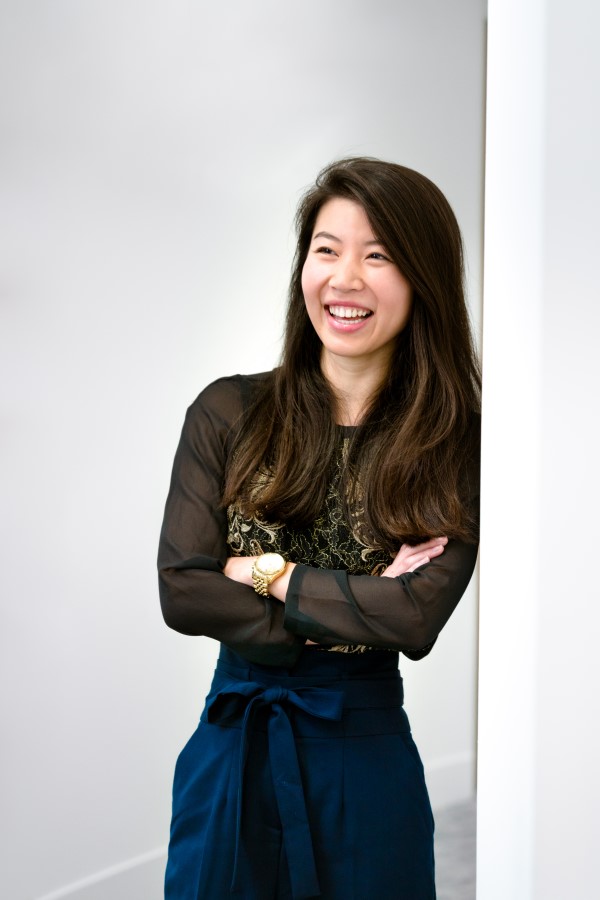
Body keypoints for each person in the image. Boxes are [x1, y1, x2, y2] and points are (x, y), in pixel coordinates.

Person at [158, 157, 480, 900]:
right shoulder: (228, 412)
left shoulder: (455, 443)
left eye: (379, 255)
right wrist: (353, 604)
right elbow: (183, 591)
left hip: (363, 756)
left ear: (423, 279)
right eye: (327, 249)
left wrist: (263, 574)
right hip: (234, 743)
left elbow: (415, 617)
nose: (344, 278)